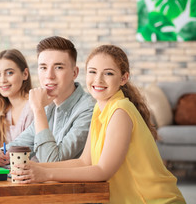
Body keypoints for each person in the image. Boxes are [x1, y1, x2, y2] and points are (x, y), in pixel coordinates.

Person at [11, 45, 185, 203]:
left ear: (123, 78)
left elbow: (103, 171)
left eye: (108, 73)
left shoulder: (120, 111)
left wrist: (44, 173)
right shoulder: (100, 109)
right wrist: (35, 167)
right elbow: (84, 161)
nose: (98, 80)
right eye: (92, 72)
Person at [0, 36, 95, 167]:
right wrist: (1, 154)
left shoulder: (88, 109)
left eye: (58, 67)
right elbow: (22, 143)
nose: (49, 76)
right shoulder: (49, 104)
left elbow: (52, 162)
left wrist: (38, 109)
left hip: (74, 187)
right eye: (43, 68)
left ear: (74, 73)